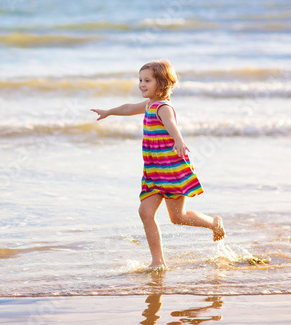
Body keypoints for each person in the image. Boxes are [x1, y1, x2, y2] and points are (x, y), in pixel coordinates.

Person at [90, 60, 225, 271]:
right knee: (145, 212)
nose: (141, 84)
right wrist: (109, 111)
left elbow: (171, 124)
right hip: (154, 171)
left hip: (170, 170)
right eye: (140, 80)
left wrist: (179, 141)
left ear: (161, 83)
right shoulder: (148, 104)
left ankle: (213, 223)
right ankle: (158, 262)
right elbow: (128, 107)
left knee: (178, 217)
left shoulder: (163, 107)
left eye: (147, 80)